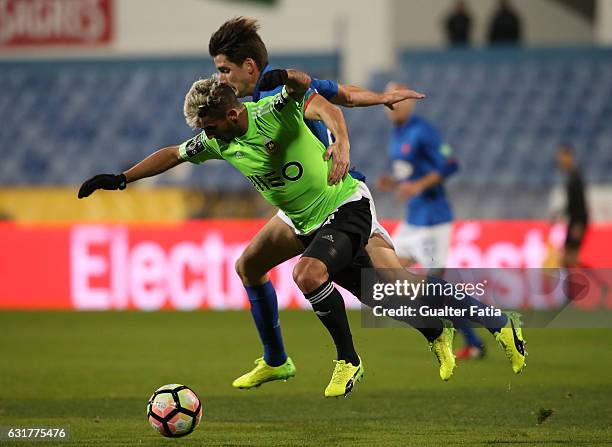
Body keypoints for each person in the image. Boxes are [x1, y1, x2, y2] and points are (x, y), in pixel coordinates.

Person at [78, 70, 527, 396]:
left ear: (233, 113)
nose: (208, 136)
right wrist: (121, 178)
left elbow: (319, 100)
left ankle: (352, 361)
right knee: (389, 295)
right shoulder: (218, 140)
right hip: (308, 222)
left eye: (211, 126)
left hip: (346, 205)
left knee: (309, 275)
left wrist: (334, 137)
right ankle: (463, 325)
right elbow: (173, 153)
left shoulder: (274, 110)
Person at [207, 17, 442, 389]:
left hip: (338, 197)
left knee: (389, 290)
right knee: (249, 265)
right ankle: (276, 359)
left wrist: (343, 141)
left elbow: (330, 107)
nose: (219, 79)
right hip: (303, 207)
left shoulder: (276, 96)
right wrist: (380, 98)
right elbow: (343, 94)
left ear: (248, 66)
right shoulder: (254, 102)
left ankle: (471, 319)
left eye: (223, 69)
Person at [377, 82, 485, 361]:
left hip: (434, 221)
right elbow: (410, 172)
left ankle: (476, 340)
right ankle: (448, 332)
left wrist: (419, 186)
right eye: (388, 101)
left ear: (409, 102)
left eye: (397, 100)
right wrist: (396, 182)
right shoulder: (395, 134)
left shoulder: (423, 130)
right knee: (386, 270)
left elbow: (451, 164)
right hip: (413, 219)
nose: (392, 106)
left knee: (436, 287)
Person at [555, 145, 589, 268]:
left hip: (577, 222)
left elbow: (580, 203)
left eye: (562, 157)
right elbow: (572, 203)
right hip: (575, 221)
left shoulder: (575, 178)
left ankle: (580, 284)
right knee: (566, 259)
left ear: (569, 157)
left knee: (569, 258)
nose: (559, 161)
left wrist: (578, 224)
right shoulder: (572, 177)